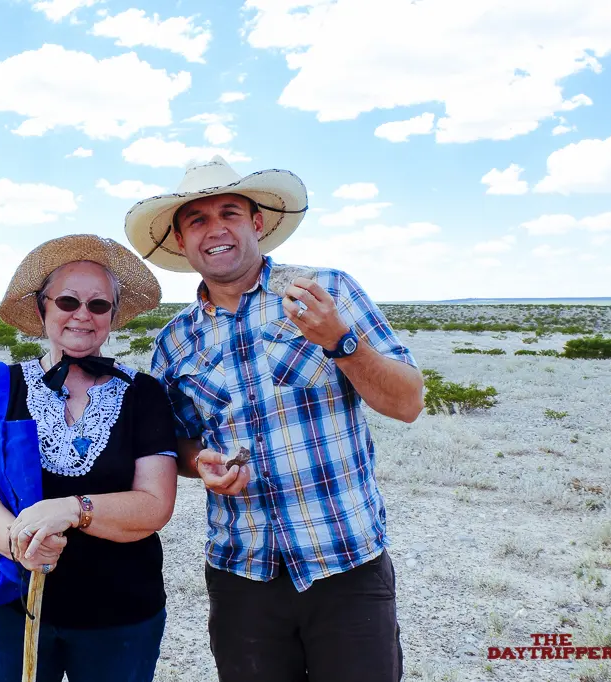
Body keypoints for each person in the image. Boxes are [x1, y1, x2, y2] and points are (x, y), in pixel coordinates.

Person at [124, 156, 425, 682]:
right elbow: (179, 443)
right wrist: (202, 461)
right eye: (197, 219)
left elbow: (407, 403)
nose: (216, 229)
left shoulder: (326, 292)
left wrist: (340, 341)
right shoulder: (175, 341)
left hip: (345, 562)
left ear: (257, 223)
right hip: (242, 574)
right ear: (182, 240)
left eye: (230, 213)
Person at [0, 234, 179, 682]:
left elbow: (155, 506)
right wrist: (20, 543)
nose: (82, 314)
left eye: (99, 304)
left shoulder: (143, 393)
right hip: (12, 608)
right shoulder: (3, 384)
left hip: (120, 613)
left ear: (112, 316)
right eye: (68, 300)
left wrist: (73, 509)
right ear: (42, 309)